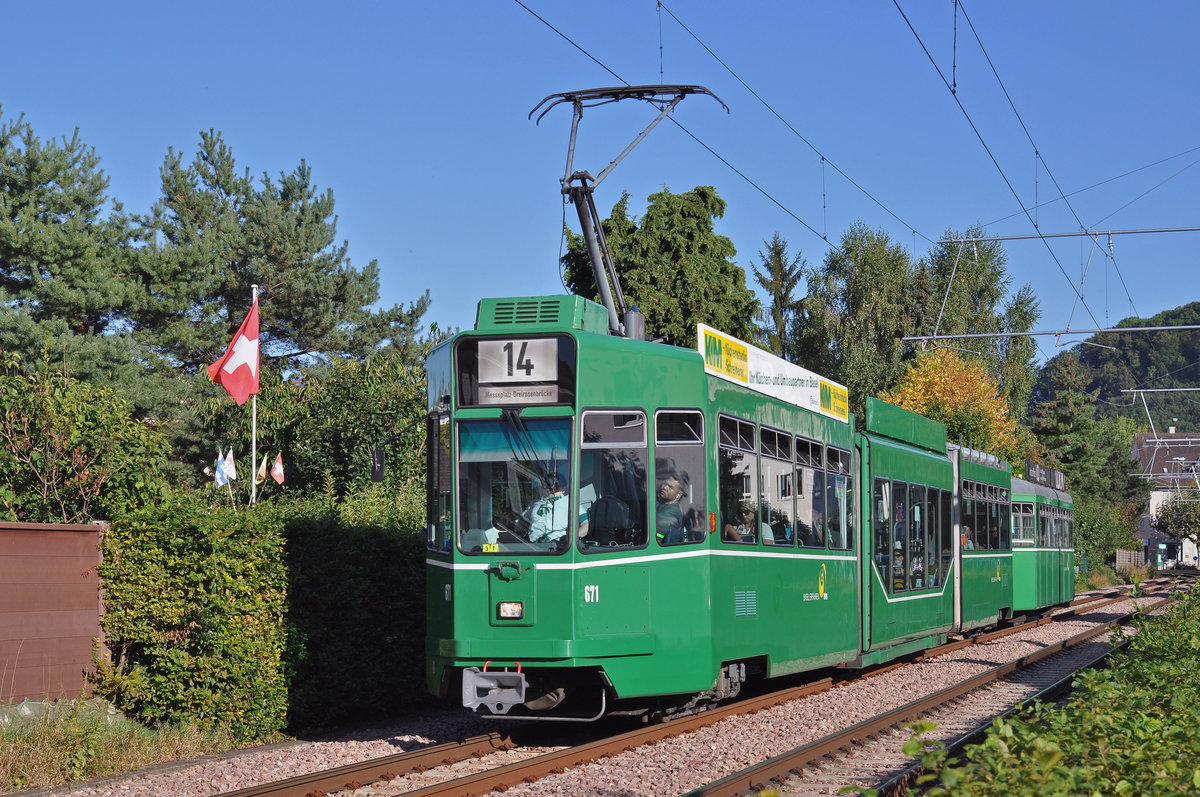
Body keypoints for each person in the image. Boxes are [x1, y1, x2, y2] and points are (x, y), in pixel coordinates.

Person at [526, 474, 587, 544]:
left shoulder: (569, 502)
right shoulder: (536, 504)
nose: (547, 487)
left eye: (550, 483)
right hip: (531, 546)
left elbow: (586, 526)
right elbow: (519, 521)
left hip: (554, 548)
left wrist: (568, 540)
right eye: (545, 483)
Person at [655, 471, 686, 544]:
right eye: (665, 484)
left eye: (670, 487)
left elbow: (655, 542)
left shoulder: (667, 515)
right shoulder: (665, 505)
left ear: (679, 494)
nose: (664, 487)